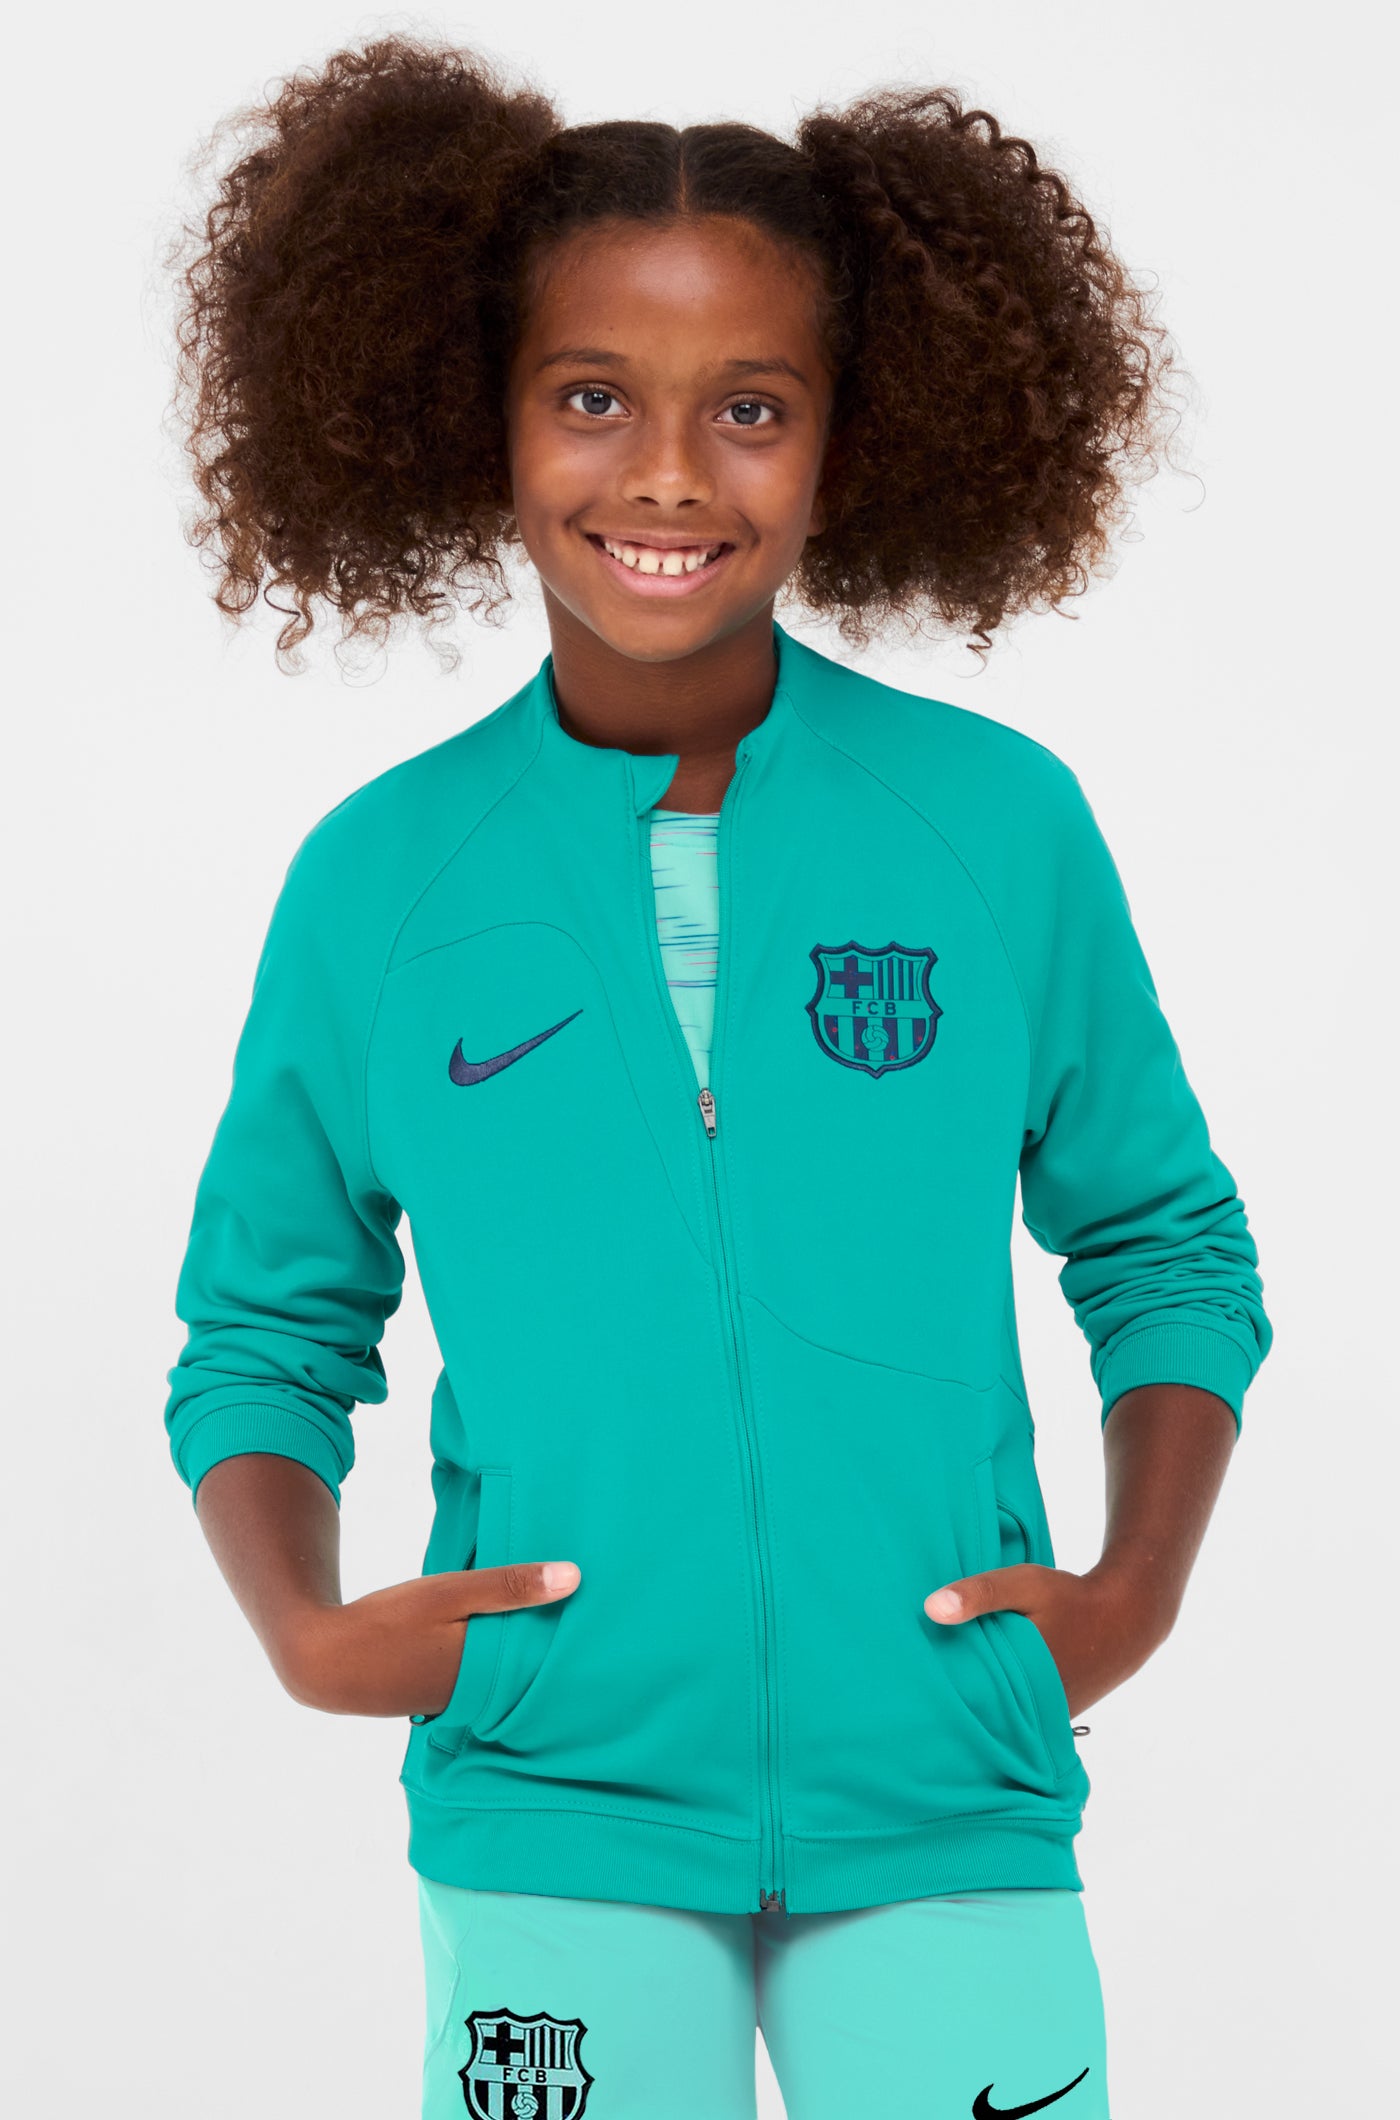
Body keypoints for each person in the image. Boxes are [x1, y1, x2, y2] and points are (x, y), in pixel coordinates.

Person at [161, 34, 1273, 2119]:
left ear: (850, 438)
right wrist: (303, 1628)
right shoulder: (383, 880)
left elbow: (1164, 1243)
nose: (668, 476)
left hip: (945, 1790)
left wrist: (1131, 1593)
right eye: (593, 396)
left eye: (749, 408)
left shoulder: (992, 826)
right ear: (481, 417)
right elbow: (264, 1326)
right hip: (553, 1802)